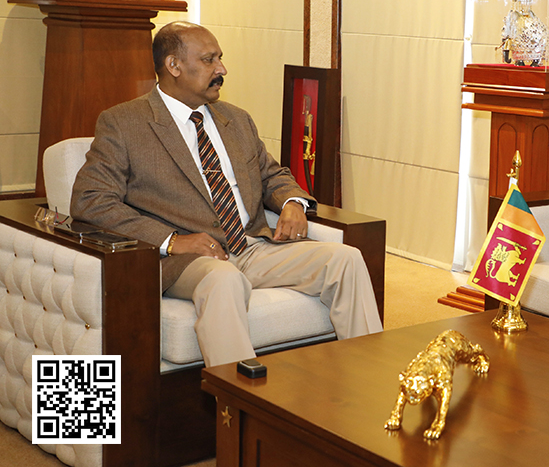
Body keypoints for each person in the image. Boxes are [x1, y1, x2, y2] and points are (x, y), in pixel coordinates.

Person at [71, 21, 383, 367]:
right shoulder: (125, 123)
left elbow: (271, 174)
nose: (222, 69)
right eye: (209, 60)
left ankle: (367, 379)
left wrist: (293, 202)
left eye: (219, 58)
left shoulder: (236, 119)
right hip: (188, 261)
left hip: (252, 246)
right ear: (174, 66)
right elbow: (91, 200)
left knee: (346, 258)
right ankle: (238, 408)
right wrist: (172, 240)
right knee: (224, 279)